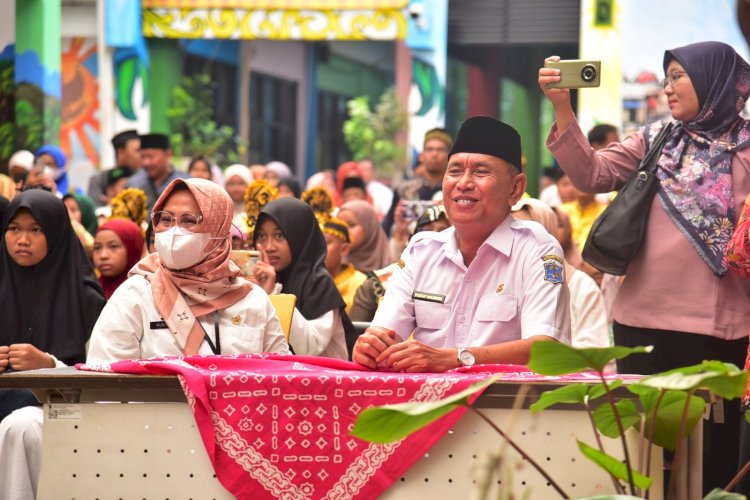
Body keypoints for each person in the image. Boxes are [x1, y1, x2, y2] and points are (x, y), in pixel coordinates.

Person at [539, 41, 750, 491]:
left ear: (715, 81)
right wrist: (562, 107)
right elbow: (592, 175)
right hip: (640, 319)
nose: (668, 87)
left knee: (713, 454)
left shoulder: (748, 149)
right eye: (666, 76)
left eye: (679, 76)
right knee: (643, 455)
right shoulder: (657, 138)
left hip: (721, 325)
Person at [352, 116, 570, 373]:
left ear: (515, 188)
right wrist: (370, 346)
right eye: (454, 171)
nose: (463, 183)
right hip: (424, 405)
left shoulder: (537, 249)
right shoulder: (421, 250)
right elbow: (385, 333)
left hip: (504, 406)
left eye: (480, 172)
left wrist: (456, 358)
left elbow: (545, 347)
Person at [87, 178, 289, 363]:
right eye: (166, 219)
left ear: (218, 231)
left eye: (189, 221)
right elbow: (104, 372)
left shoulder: (253, 300)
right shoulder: (136, 294)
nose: (174, 231)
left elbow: (279, 375)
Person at [0, 189, 105, 500]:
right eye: (14, 228)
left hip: (61, 412)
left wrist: (50, 365)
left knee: (22, 428)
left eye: (36, 230)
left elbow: (104, 368)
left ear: (57, 234)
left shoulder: (86, 297)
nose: (22, 240)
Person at [252, 198, 356, 359]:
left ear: (300, 236)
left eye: (279, 235)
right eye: (261, 236)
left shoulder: (319, 281)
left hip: (325, 378)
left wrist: (273, 295)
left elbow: (309, 347)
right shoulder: (263, 279)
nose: (269, 246)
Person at [512, 198, 610, 352]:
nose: (515, 239)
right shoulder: (499, 277)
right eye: (511, 232)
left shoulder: (581, 285)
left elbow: (593, 347)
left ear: (547, 231)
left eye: (525, 233)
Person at [382, 128, 452, 237]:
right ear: (422, 155)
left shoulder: (454, 189)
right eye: (429, 149)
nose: (434, 154)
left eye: (440, 150)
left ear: (449, 155)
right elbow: (387, 226)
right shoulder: (404, 189)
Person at [126, 133, 189, 209]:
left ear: (168, 154)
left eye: (150, 157)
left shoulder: (184, 183)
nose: (146, 162)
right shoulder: (134, 184)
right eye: (142, 157)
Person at [93, 219, 145, 300]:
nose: (103, 255)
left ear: (132, 249)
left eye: (113, 246)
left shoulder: (146, 293)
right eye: (97, 247)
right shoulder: (89, 291)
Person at [88, 130, 141, 207]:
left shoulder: (144, 179)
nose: (141, 155)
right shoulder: (99, 180)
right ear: (121, 152)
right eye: (137, 151)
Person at [338, 200, 392, 273]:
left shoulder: (392, 270)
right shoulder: (333, 267)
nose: (344, 231)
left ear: (369, 227)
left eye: (351, 225)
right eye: (340, 225)